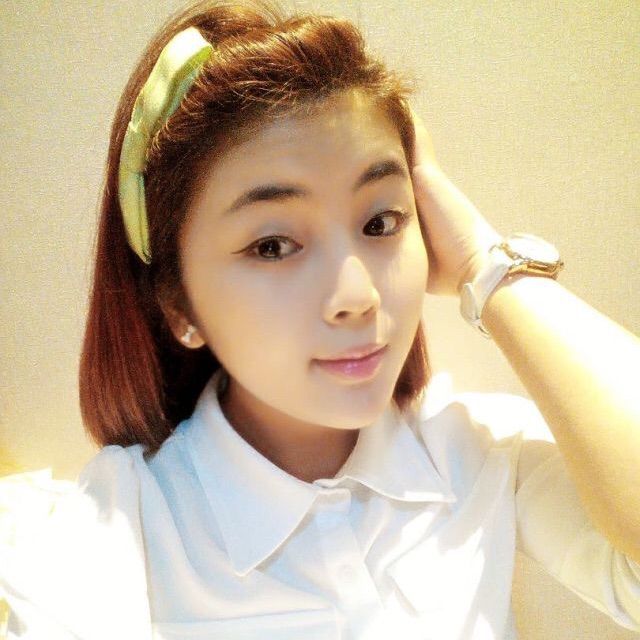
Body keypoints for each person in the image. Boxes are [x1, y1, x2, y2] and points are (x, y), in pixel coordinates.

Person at [1, 0, 639, 638]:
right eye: (273, 245)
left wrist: (485, 265)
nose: (356, 297)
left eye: (380, 222)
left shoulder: (477, 451)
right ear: (179, 305)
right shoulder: (110, 538)